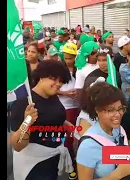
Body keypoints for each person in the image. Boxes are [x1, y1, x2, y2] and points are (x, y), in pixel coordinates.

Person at [10, 60, 73, 180]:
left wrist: (67, 125)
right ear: (41, 77)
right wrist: (27, 122)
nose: (58, 84)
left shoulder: (52, 95)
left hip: (53, 159)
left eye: (61, 81)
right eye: (54, 79)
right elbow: (17, 145)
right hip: (34, 165)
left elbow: (52, 117)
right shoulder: (24, 103)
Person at [76, 81, 130, 179]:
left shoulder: (118, 130)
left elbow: (113, 155)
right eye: (110, 110)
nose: (118, 114)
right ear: (97, 110)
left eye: (120, 108)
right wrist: (118, 174)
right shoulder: (88, 146)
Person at [58, 43, 80, 180]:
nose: (69, 61)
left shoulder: (80, 69)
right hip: (66, 107)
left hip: (81, 107)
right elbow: (53, 89)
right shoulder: (59, 71)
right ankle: (71, 163)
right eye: (66, 58)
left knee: (81, 135)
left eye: (71, 57)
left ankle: (81, 160)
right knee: (68, 138)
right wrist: (65, 93)